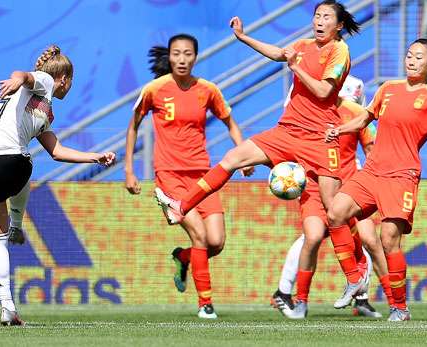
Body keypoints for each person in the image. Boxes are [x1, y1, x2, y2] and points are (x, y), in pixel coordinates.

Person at [154, 0, 366, 316]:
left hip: (319, 139)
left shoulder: (339, 52)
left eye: (326, 17)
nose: (319, 21)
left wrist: (295, 67)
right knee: (233, 158)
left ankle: (354, 275)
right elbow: (279, 53)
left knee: (333, 209)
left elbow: (323, 92)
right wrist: (244, 37)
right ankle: (181, 205)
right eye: (316, 15)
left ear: (337, 25)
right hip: (286, 131)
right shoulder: (303, 45)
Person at [0, 45, 115, 325]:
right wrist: (17, 78)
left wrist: (94, 156)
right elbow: (25, 75)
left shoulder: (41, 110)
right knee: (25, 165)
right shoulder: (46, 82)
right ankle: (18, 224)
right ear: (65, 79)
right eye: (71, 82)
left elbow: (57, 151)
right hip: (8, 159)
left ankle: (7, 308)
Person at [325, 38, 427, 321]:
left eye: (418, 57)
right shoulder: (388, 88)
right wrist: (340, 130)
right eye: (409, 55)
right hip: (372, 171)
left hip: (402, 175)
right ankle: (355, 277)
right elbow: (365, 118)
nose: (411, 60)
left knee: (388, 240)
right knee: (335, 212)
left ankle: (399, 307)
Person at [125, 34, 253, 319]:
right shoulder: (154, 89)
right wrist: (130, 170)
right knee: (199, 235)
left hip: (202, 176)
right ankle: (205, 304)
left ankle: (182, 258)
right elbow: (133, 126)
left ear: (195, 57)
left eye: (187, 54)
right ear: (170, 57)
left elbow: (230, 123)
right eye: (176, 54)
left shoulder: (207, 90)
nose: (181, 59)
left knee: (216, 242)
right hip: (170, 176)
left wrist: (242, 155)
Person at [271, 76, 393, 319]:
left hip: (350, 187)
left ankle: (393, 303)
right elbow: (284, 142)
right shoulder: (302, 111)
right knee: (314, 236)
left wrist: (378, 182)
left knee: (370, 239)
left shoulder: (356, 111)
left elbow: (371, 150)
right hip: (314, 188)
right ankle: (300, 302)